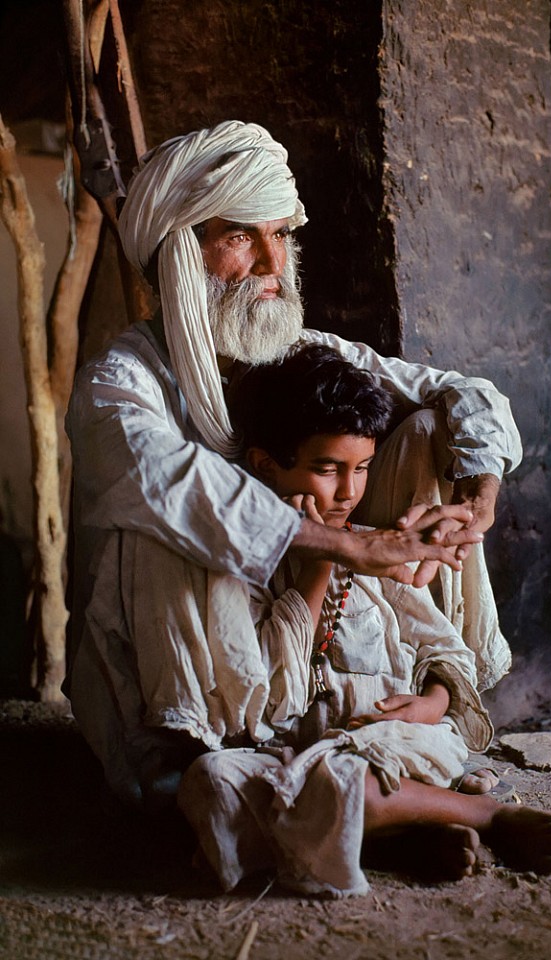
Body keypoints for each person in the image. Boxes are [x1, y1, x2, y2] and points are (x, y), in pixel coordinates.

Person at [65, 120, 522, 807]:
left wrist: (480, 500)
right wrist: (348, 545)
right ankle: (208, 750)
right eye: (242, 236)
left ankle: (394, 705)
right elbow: (168, 477)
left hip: (319, 622)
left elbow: (465, 393)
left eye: (281, 235)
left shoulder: (300, 347)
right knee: (159, 511)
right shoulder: (119, 382)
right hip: (207, 655)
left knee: (437, 428)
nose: (273, 265)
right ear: (179, 252)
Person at [177, 344, 551, 896]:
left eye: (361, 469)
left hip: (396, 745)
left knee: (345, 785)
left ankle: (485, 815)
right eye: (326, 469)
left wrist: (433, 702)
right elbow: (272, 700)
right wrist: (321, 563)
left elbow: (444, 649)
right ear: (265, 465)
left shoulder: (377, 549)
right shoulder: (241, 573)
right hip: (293, 755)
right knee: (211, 784)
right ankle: (399, 834)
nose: (348, 491)